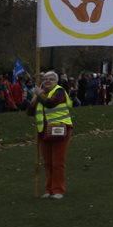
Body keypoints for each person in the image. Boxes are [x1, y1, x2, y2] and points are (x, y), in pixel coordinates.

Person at [26, 70, 73, 199]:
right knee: (48, 162)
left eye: (51, 79)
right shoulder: (41, 94)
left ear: (56, 81)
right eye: (45, 79)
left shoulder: (59, 91)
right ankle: (49, 189)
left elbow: (50, 103)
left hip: (60, 128)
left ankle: (58, 189)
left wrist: (40, 94)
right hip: (44, 130)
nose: (47, 81)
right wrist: (35, 98)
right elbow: (30, 111)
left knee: (58, 161)